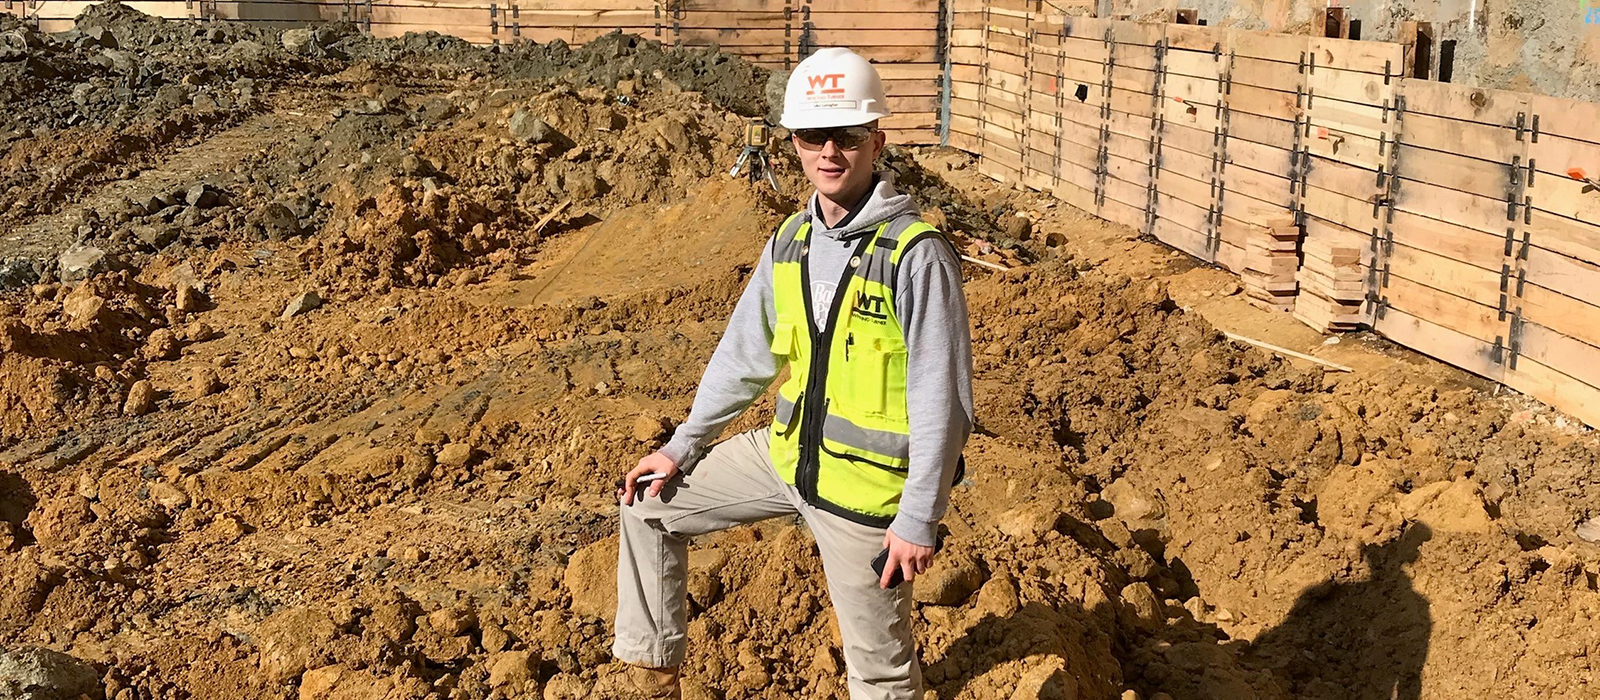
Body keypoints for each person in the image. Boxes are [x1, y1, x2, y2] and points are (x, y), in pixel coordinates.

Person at [605, 47, 974, 700]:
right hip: (786, 457)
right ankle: (657, 679)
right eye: (812, 136)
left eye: (847, 135)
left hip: (865, 497)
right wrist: (681, 446)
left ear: (876, 142)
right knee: (647, 508)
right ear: (793, 143)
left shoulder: (915, 256)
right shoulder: (790, 241)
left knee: (880, 675)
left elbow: (941, 398)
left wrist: (919, 515)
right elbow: (743, 357)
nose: (829, 152)